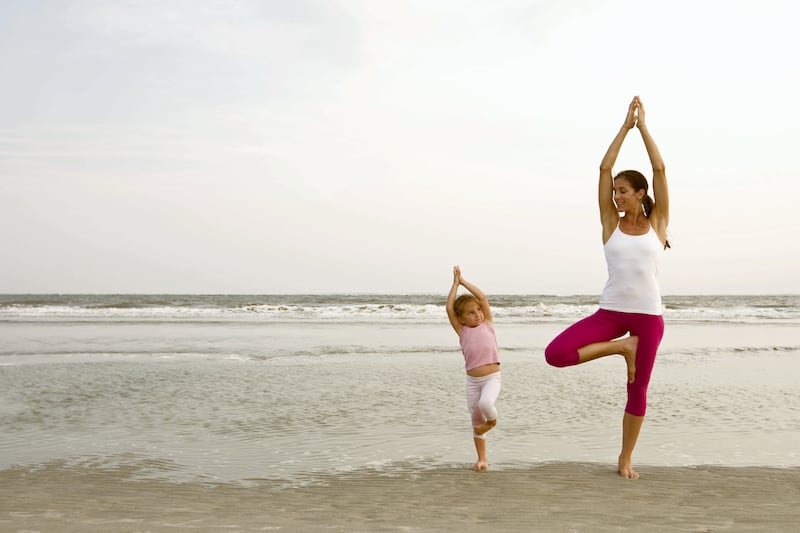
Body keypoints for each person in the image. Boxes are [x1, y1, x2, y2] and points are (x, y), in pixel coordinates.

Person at [544, 96, 670, 479]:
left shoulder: (658, 221)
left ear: (640, 193)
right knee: (557, 354)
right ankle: (621, 348)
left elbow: (660, 168)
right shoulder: (609, 222)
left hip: (649, 316)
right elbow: (603, 166)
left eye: (623, 191)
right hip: (611, 313)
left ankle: (625, 458)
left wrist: (644, 128)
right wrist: (624, 126)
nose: (616, 195)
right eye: (614, 191)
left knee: (638, 390)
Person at [446, 266, 502, 471]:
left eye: (478, 310)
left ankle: (493, 422)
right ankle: (482, 459)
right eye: (471, 313)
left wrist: (464, 282)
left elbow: (483, 298)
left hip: (492, 378)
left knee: (486, 403)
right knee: (476, 421)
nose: (477, 315)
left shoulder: (487, 323)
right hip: (473, 382)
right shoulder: (461, 330)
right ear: (461, 318)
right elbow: (449, 308)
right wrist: (454, 285)